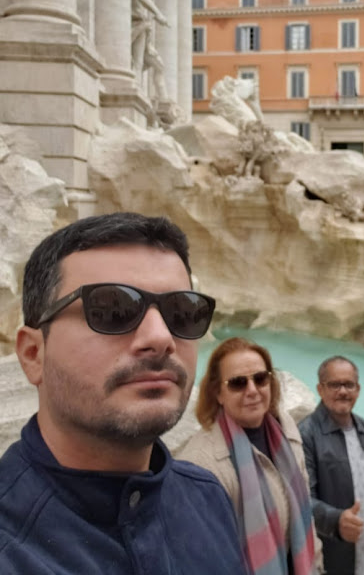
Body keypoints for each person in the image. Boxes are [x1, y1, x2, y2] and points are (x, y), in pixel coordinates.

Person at [0, 212, 246, 574]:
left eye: (182, 312)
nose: (160, 338)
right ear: (34, 354)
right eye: (112, 310)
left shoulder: (207, 498)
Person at [178, 337, 319, 575]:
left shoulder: (285, 429)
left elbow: (305, 508)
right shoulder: (201, 465)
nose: (252, 390)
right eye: (238, 383)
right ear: (218, 393)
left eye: (260, 378)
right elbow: (202, 558)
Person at [299, 356, 364, 575]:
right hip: (331, 560)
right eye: (335, 385)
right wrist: (335, 521)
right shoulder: (306, 435)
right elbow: (299, 501)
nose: (343, 391)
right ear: (320, 389)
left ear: (358, 389)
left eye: (349, 385)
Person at [131, 0, 169, 100]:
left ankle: (139, 89)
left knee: (141, 61)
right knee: (138, 61)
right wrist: (158, 13)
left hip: (140, 24)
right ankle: (136, 90)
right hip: (137, 23)